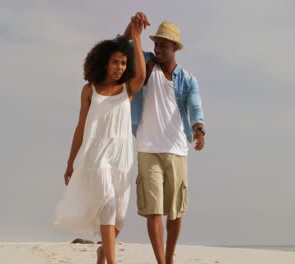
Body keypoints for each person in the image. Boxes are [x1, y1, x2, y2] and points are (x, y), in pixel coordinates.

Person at [54, 15, 149, 264]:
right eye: (115, 62)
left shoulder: (127, 89)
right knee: (107, 205)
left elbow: (140, 74)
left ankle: (103, 252)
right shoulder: (90, 90)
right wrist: (70, 162)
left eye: (123, 63)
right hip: (97, 155)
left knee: (120, 216)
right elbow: (81, 127)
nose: (119, 67)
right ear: (104, 63)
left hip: (122, 155)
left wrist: (135, 37)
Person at [125, 14, 205, 264]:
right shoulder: (146, 62)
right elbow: (126, 44)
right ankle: (161, 261)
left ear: (174, 48)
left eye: (163, 45)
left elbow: (195, 106)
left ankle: (169, 259)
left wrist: (199, 128)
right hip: (147, 148)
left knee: (175, 212)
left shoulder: (188, 79)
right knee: (153, 211)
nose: (158, 49)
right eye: (156, 44)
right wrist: (133, 26)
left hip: (177, 150)